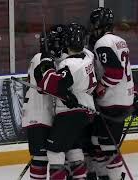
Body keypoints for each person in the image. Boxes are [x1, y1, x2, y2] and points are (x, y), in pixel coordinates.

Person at [34, 22, 97, 180]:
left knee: (54, 151)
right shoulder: (88, 56)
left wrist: (47, 61)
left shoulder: (70, 65)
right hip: (85, 110)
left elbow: (50, 85)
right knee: (74, 148)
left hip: (70, 113)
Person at [88, 7, 138, 180]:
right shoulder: (120, 41)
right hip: (125, 98)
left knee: (108, 146)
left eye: (94, 24)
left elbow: (116, 73)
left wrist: (99, 88)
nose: (93, 28)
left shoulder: (102, 43)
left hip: (112, 101)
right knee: (97, 140)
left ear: (99, 24)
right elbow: (127, 73)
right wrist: (135, 94)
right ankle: (103, 176)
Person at [21, 25, 68, 180]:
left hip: (47, 115)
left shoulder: (51, 59)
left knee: (54, 157)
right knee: (40, 160)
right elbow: (44, 87)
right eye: (56, 43)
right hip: (37, 115)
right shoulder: (40, 58)